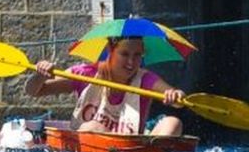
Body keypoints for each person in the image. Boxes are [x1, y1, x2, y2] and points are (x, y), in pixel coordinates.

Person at [25, 36, 185, 136]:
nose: (131, 62)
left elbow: (178, 101)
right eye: (125, 54)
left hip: (132, 150)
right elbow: (33, 91)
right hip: (90, 148)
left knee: (173, 122)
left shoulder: (145, 79)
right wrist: (40, 75)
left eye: (137, 55)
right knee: (94, 127)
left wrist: (176, 95)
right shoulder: (85, 73)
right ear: (110, 50)